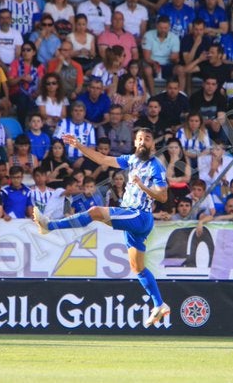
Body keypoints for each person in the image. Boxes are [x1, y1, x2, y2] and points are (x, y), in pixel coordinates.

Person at [33, 128, 170, 327]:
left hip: (139, 214)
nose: (142, 142)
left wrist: (142, 186)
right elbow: (103, 159)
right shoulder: (131, 160)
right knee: (137, 268)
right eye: (139, 139)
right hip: (133, 220)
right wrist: (79, 146)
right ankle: (159, 304)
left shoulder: (156, 166)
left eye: (147, 139)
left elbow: (163, 196)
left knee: (96, 211)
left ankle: (49, 225)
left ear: (153, 145)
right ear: (135, 143)